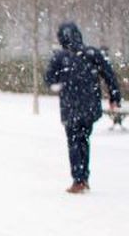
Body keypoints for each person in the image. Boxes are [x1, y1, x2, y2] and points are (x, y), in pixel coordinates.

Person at [45, 22, 122, 192]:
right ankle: (83, 177)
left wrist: (59, 85)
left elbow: (49, 79)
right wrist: (114, 97)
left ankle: (78, 179)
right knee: (84, 139)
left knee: (74, 141)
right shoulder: (92, 53)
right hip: (90, 106)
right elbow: (109, 75)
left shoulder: (60, 57)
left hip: (70, 106)